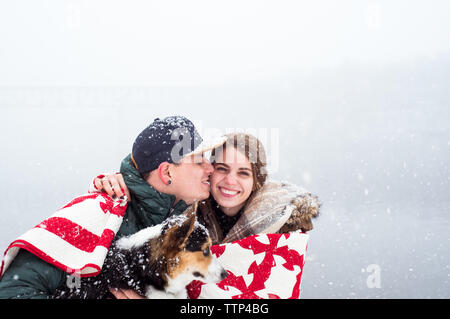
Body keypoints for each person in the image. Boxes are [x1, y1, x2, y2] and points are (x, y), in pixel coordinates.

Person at [0, 116, 225, 299]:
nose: (210, 168)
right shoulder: (93, 214)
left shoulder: (192, 222)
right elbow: (12, 292)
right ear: (167, 172)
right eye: (199, 160)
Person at [99, 132, 320, 246]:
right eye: (222, 169)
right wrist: (121, 180)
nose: (230, 181)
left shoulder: (284, 221)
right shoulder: (187, 212)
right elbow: (154, 186)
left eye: (243, 173)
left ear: (257, 181)